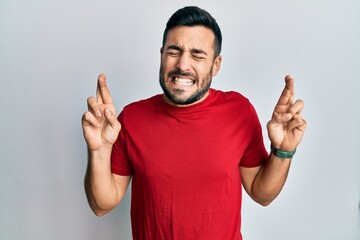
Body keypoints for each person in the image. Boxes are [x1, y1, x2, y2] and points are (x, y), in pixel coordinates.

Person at [82, 6, 306, 240]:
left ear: (216, 65)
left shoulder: (240, 112)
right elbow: (101, 205)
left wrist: (283, 151)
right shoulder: (131, 119)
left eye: (197, 55)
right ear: (161, 55)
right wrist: (98, 150)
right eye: (174, 51)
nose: (183, 65)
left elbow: (262, 194)